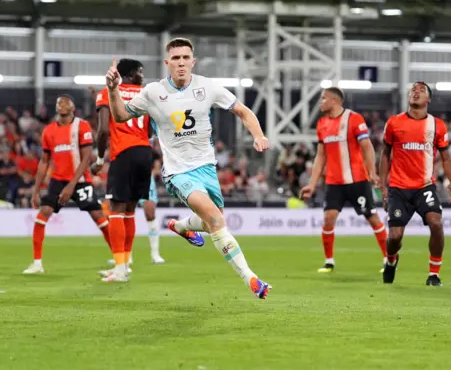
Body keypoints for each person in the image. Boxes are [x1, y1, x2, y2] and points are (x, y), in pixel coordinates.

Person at [104, 38, 272, 299]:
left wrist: (259, 135)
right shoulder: (153, 92)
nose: (181, 63)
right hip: (177, 172)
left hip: (207, 168)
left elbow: (244, 112)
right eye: (176, 58)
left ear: (192, 61)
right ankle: (251, 278)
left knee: (213, 220)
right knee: (216, 220)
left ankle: (181, 226)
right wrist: (113, 90)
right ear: (167, 63)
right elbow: (120, 116)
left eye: (185, 58)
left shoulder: (208, 87)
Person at [300, 87, 388, 273]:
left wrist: (372, 172)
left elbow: (367, 147)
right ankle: (329, 261)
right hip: (334, 181)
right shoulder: (322, 124)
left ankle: (389, 259)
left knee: (372, 218)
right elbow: (320, 156)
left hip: (357, 179)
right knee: (328, 218)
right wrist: (311, 184)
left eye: (323, 98)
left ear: (334, 101)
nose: (321, 102)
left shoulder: (354, 119)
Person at [380, 81, 451, 286]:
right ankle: (391, 260)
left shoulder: (437, 125)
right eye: (413, 90)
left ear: (428, 99)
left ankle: (434, 274)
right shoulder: (394, 123)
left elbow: (446, 158)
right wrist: (382, 186)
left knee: (436, 223)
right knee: (395, 237)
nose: (416, 92)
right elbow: (385, 154)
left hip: (424, 187)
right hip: (398, 188)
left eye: (421, 90)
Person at [23, 95, 110, 274]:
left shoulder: (81, 126)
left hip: (80, 180)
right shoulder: (48, 131)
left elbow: (86, 159)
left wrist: (71, 185)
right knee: (43, 214)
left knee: (97, 215)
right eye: (58, 102)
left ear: (73, 107)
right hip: (57, 180)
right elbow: (44, 161)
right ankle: (37, 263)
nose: (61, 104)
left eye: (65, 102)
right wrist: (36, 190)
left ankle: (120, 259)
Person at [94, 58, 153, 282]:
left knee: (116, 210)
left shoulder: (108, 92)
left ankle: (119, 270)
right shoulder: (147, 94)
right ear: (128, 74)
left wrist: (100, 157)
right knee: (129, 210)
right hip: (144, 152)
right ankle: (125, 265)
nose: (142, 76)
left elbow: (102, 131)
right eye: (140, 71)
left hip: (123, 153)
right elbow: (151, 128)